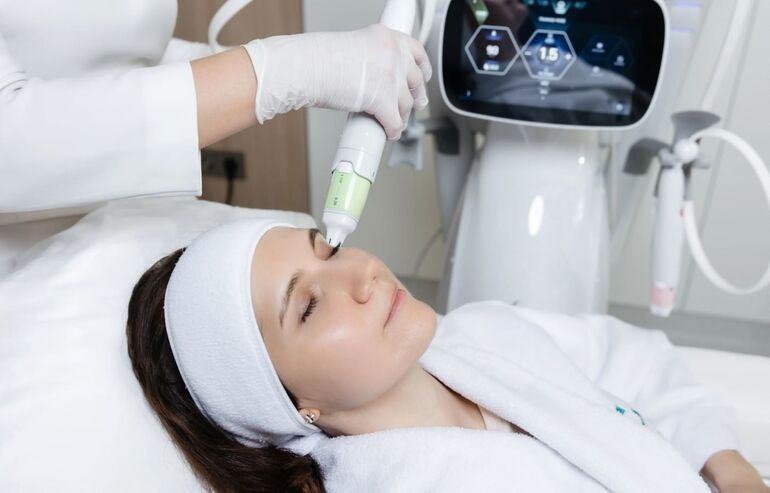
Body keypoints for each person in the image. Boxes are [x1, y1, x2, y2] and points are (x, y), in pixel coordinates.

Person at [126, 219, 769, 493]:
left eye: (328, 249)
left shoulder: (485, 333)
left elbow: (637, 361)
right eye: (310, 306)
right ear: (294, 405)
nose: (360, 273)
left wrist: (732, 467)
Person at [0, 1, 431, 212]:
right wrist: (286, 70)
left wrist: (223, 65)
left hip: (122, 216)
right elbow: (11, 143)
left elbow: (104, 45)